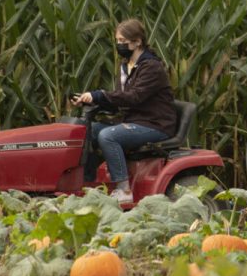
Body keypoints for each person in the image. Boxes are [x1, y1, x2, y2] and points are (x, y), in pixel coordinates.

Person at [70, 19, 178, 199]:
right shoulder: (125, 66)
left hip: (154, 124)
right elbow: (119, 99)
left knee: (108, 136)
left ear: (137, 42)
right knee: (86, 130)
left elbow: (134, 97)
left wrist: (99, 95)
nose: (119, 45)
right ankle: (87, 182)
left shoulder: (151, 67)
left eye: (123, 41)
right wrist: (89, 100)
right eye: (117, 41)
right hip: (133, 121)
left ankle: (124, 190)